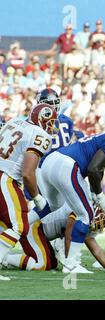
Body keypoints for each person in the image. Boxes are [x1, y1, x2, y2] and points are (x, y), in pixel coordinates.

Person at [37, 123, 105, 273]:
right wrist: (100, 196)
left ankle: (21, 225)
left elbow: (98, 170)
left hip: (51, 161)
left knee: (54, 206)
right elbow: (93, 169)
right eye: (103, 220)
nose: (101, 223)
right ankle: (71, 264)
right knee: (84, 215)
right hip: (66, 165)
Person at [0, 103, 57, 280]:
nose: (52, 127)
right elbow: (27, 172)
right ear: (43, 120)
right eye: (51, 122)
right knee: (18, 225)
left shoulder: (14, 121)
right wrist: (37, 197)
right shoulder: (40, 134)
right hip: (5, 177)